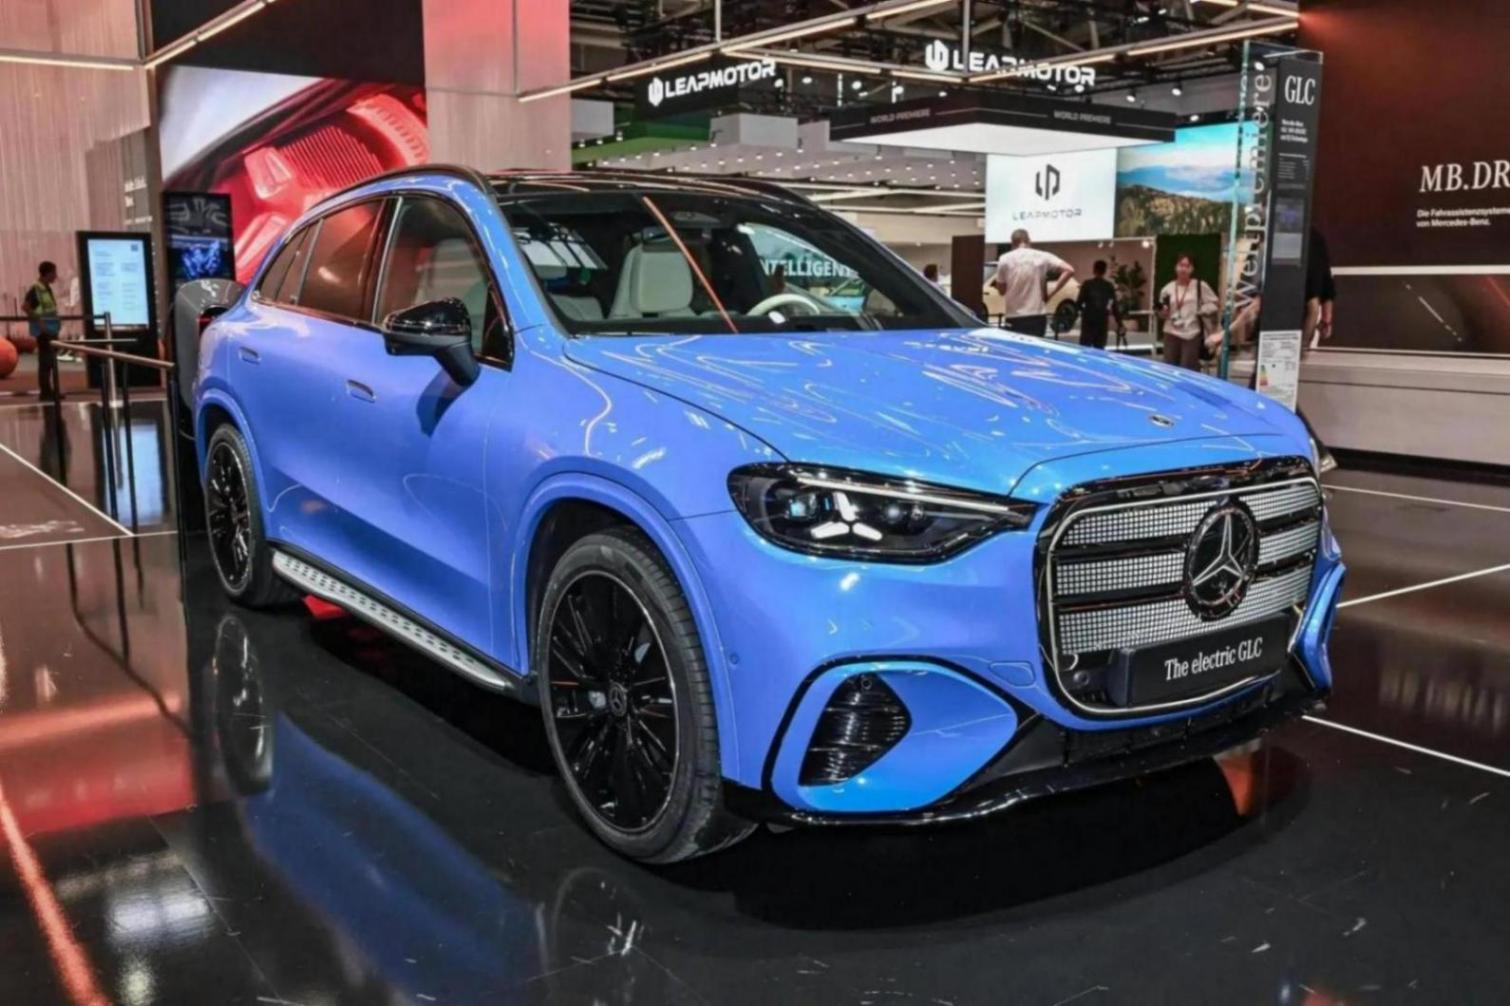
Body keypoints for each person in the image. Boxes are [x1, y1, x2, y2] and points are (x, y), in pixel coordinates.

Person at [990, 228, 1074, 337]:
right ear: (1029, 240)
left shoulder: (1004, 259)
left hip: (1014, 316)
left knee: (1016, 347)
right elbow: (1069, 270)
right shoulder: (1043, 256)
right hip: (1037, 316)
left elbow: (1002, 291)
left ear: (1012, 243)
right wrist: (1051, 293)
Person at [1157, 253, 1217, 371]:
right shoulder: (1167, 288)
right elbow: (1161, 313)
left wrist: (1203, 309)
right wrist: (1162, 312)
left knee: (1188, 369)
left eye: (1187, 266)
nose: (1183, 269)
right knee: (1169, 369)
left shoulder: (1200, 285)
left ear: (1192, 269)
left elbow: (1215, 303)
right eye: (1181, 265)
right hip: (1170, 333)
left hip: (1191, 333)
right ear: (1175, 267)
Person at [22, 260, 63, 399]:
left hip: (51, 329)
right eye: (54, 273)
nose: (56, 276)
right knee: (46, 362)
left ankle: (50, 391)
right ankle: (46, 392)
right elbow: (26, 307)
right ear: (48, 273)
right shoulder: (36, 289)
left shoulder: (46, 288)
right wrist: (40, 322)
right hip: (44, 331)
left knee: (50, 362)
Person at [1075, 259, 1120, 351]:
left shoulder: (1087, 284)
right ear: (1104, 271)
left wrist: (1084, 311)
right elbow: (1113, 305)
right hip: (1102, 321)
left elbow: (1079, 303)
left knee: (1085, 349)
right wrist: (1120, 322)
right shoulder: (1109, 286)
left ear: (1094, 270)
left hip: (1088, 320)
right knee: (1099, 349)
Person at [1304, 226, 1336, 346]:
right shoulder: (1315, 237)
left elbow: (1326, 280)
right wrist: (1326, 319)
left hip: (1304, 313)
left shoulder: (1314, 238)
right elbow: (1326, 280)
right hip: (1306, 313)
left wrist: (1326, 319)